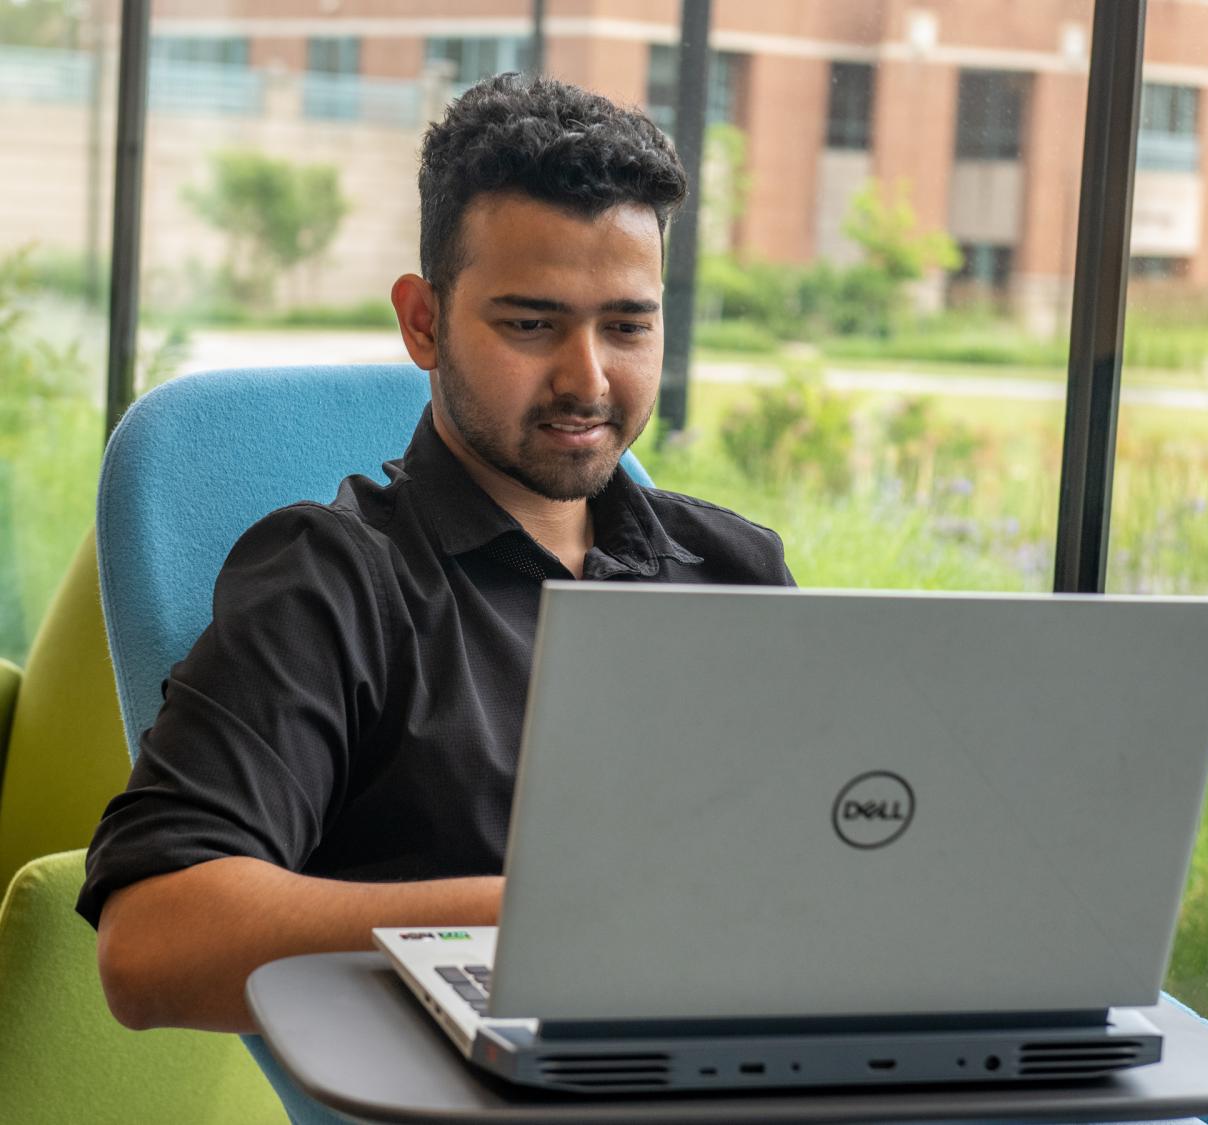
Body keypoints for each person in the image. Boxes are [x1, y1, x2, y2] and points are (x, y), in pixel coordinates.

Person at [77, 74, 795, 1035]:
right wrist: (531, 920)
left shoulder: (738, 570)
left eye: (628, 325)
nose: (588, 378)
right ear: (423, 320)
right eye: (531, 324)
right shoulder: (332, 578)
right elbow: (152, 943)